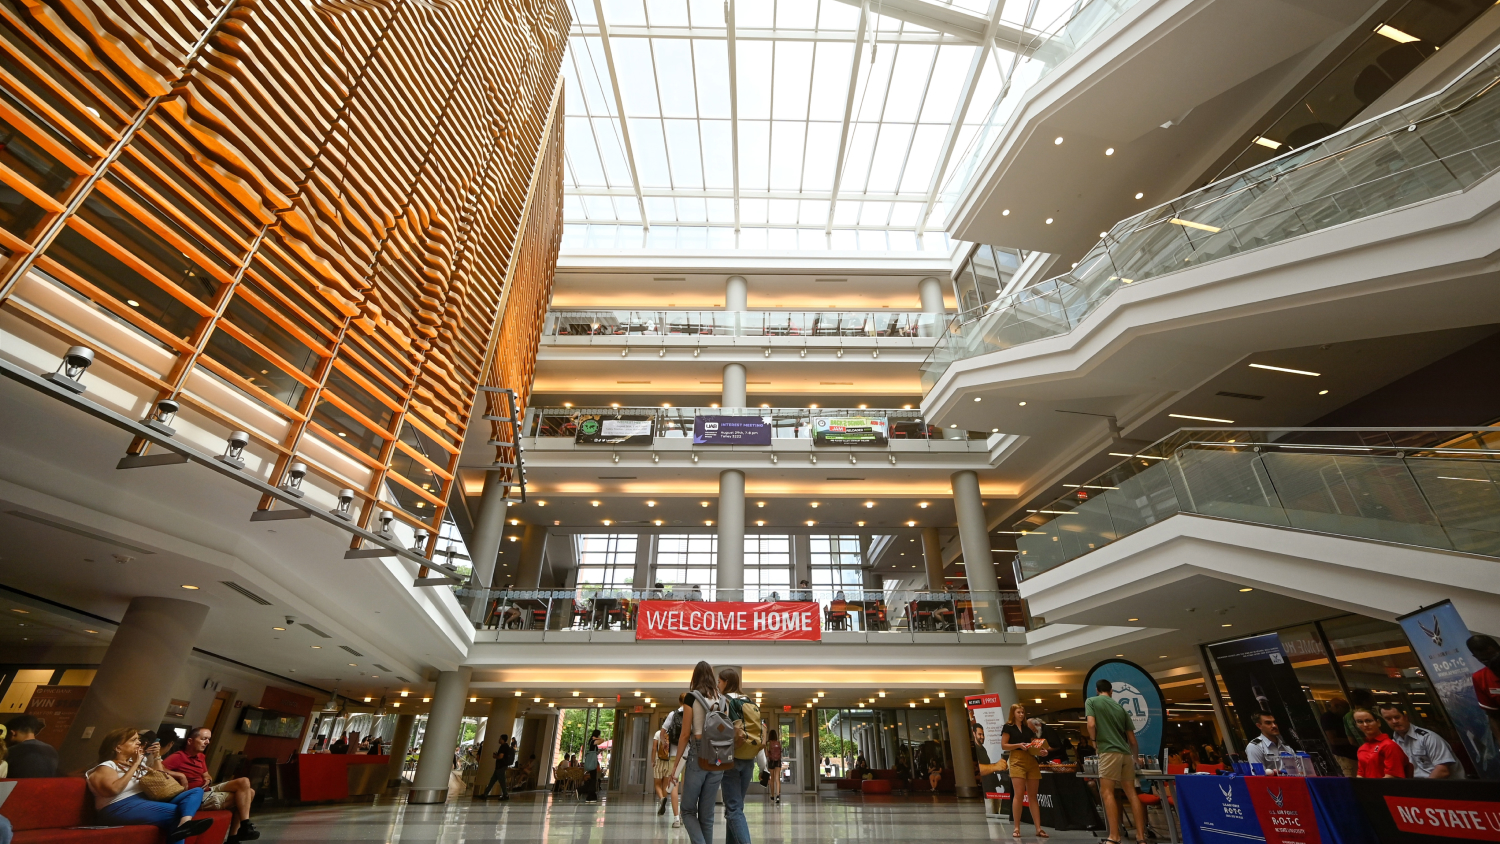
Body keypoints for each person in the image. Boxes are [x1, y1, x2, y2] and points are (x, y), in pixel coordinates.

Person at [86, 727, 213, 843]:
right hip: (117, 807)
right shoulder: (107, 766)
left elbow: (161, 777)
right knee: (177, 813)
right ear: (118, 747)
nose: (138, 743)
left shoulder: (136, 763)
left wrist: (157, 756)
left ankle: (184, 823)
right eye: (133, 740)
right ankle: (183, 824)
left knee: (196, 791)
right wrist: (135, 764)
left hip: (145, 800)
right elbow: (113, 790)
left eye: (138, 739)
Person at [162, 726, 259, 841]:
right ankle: (234, 836)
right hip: (198, 796)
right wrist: (180, 775)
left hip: (208, 789)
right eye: (203, 739)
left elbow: (206, 774)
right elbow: (159, 769)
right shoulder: (178, 757)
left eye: (208, 739)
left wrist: (208, 778)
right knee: (249, 794)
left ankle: (244, 826)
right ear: (190, 741)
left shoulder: (200, 756)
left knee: (244, 782)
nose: (207, 742)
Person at [1087, 679, 1148, 844]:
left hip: (1108, 751)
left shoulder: (1092, 701)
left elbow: (1091, 724)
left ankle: (1114, 836)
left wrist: (1094, 742)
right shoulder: (1121, 708)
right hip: (1126, 754)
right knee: (1131, 793)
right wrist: (1135, 758)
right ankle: (1141, 836)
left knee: (1107, 792)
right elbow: (1132, 740)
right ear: (1111, 691)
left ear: (1097, 689)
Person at [676, 660, 729, 844]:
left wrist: (675, 768)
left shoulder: (691, 698)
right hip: (719, 758)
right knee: (707, 815)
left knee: (688, 810)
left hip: (698, 754)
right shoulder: (723, 700)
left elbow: (684, 735)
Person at [718, 667, 758, 844]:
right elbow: (756, 735)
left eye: (719, 682)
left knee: (733, 809)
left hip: (731, 759)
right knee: (735, 808)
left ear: (726, 682)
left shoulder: (724, 701)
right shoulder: (748, 700)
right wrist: (763, 766)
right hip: (749, 760)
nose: (718, 685)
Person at [1001, 704, 1048, 838]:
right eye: (1018, 712)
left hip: (1031, 759)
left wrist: (1042, 751)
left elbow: (1034, 746)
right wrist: (1018, 745)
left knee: (1033, 795)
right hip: (1017, 759)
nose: (1021, 714)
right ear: (1013, 713)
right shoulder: (1008, 727)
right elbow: (1004, 745)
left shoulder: (1028, 729)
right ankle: (1016, 828)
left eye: (1022, 712)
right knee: (1019, 794)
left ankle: (1038, 828)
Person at [1380, 704, 1462, 779]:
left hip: (1444, 787)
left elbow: (1443, 771)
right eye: (1389, 719)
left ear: (1405, 717)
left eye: (1397, 717)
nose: (1394, 721)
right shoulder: (1393, 743)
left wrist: (1422, 790)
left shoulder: (1428, 737)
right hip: (1416, 788)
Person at [1354, 707, 1409, 778]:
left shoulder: (1389, 745)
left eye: (1369, 721)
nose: (1365, 725)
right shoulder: (1362, 748)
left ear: (1378, 723)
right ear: (1356, 725)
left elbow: (1392, 776)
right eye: (1360, 722)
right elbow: (1360, 774)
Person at [653, 701, 683, 820]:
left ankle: (675, 817)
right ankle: (683, 816)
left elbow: (655, 747)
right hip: (688, 754)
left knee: (672, 784)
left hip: (671, 756)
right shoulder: (692, 713)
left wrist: (666, 744)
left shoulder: (673, 714)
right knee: (685, 786)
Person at [1469, 634, 1500, 743]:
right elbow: (1493, 716)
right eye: (1485, 660)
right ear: (1476, 658)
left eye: (1494, 656)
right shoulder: (1481, 678)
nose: (1493, 661)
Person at [1320, 697, 1358, 777]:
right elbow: (1333, 740)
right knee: (1353, 777)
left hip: (1353, 754)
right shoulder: (1328, 718)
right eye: (1345, 708)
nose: (1347, 710)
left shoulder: (1342, 717)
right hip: (1345, 754)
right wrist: (1353, 740)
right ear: (1337, 706)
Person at [477, 733, 515, 799]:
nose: (499, 740)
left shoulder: (503, 747)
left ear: (503, 739)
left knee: (501, 782)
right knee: (493, 781)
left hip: (500, 767)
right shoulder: (506, 746)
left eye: (500, 738)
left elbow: (500, 756)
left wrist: (495, 756)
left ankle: (505, 795)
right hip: (500, 767)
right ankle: (485, 794)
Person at [581, 729, 602, 803]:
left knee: (593, 778)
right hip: (592, 763)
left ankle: (591, 795)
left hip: (591, 761)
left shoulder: (591, 742)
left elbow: (593, 751)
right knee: (593, 779)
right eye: (599, 734)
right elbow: (602, 740)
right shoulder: (593, 741)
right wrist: (596, 738)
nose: (600, 736)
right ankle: (583, 791)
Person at [765, 728, 784, 805]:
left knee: (772, 779)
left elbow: (767, 754)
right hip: (778, 762)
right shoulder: (778, 743)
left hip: (771, 762)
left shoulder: (768, 743)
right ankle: (778, 795)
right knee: (777, 779)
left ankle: (772, 795)